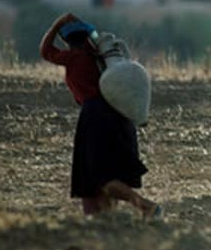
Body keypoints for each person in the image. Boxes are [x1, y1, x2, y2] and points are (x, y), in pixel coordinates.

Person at [40, 13, 161, 218]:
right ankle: (107, 220)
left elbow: (45, 51)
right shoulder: (100, 56)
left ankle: (145, 206)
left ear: (67, 41)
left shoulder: (74, 57)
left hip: (95, 116)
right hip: (119, 114)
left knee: (98, 177)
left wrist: (57, 24)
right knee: (104, 175)